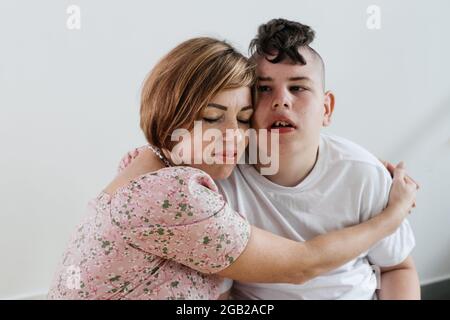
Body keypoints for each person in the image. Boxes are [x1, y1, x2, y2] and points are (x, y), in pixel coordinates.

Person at [47, 37, 417, 300]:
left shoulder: (150, 159)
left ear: (327, 107)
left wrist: (374, 182)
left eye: (241, 119)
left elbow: (398, 267)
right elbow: (301, 265)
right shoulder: (178, 194)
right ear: (172, 114)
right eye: (212, 118)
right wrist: (393, 212)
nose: (233, 137)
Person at [216, 19, 420, 300]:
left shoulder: (364, 174)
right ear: (245, 106)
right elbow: (221, 294)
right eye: (264, 89)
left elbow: (398, 268)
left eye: (297, 88)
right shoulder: (223, 181)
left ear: (326, 108)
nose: (281, 101)